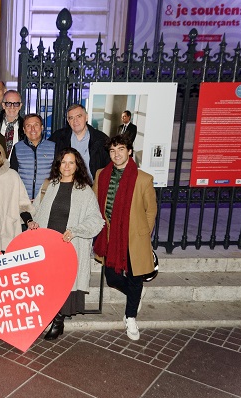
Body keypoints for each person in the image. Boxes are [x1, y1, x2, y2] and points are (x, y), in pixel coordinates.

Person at [32, 148, 104, 339]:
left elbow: (96, 220)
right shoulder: (50, 185)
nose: (67, 166)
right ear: (58, 164)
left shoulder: (85, 190)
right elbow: (36, 210)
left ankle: (58, 320)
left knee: (63, 284)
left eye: (71, 162)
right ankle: (48, 316)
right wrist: (33, 222)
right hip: (48, 245)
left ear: (77, 165)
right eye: (64, 162)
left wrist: (75, 231)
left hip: (69, 246)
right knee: (47, 283)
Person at [93, 134, 157, 341]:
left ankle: (130, 317)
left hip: (134, 238)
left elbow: (151, 211)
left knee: (134, 277)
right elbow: (96, 204)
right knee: (112, 277)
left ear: (129, 151)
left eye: (121, 149)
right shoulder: (101, 175)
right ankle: (135, 293)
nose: (116, 154)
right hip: (111, 237)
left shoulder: (143, 179)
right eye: (112, 150)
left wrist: (142, 234)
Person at [49, 104, 110, 180]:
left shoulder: (101, 139)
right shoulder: (58, 137)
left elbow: (109, 167)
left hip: (92, 188)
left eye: (79, 116)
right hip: (65, 186)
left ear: (86, 117)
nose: (75, 121)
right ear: (68, 121)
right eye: (71, 118)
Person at [10, 114, 56, 201]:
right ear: (24, 130)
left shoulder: (53, 147)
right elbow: (13, 175)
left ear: (42, 127)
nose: (33, 129)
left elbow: (56, 176)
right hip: (23, 200)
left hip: (46, 200)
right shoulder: (17, 147)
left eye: (36, 125)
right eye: (28, 126)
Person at [0, 90, 25, 158]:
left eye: (16, 104)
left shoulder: (26, 127)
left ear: (20, 106)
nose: (12, 107)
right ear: (3, 105)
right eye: (8, 103)